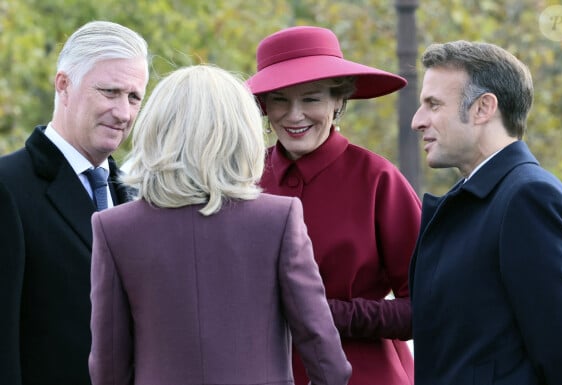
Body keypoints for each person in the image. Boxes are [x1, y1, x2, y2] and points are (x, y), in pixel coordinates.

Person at [88, 64, 351, 385]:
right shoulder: (278, 220)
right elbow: (328, 363)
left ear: (156, 130)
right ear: (241, 131)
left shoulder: (114, 229)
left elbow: (109, 368)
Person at [247, 26, 422, 385]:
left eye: (311, 99)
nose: (294, 115)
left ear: (339, 101)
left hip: (364, 374)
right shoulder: (242, 179)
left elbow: (426, 308)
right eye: (280, 99)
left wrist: (326, 313)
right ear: (264, 105)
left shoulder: (378, 179)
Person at [410, 40, 562, 384]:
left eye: (433, 104)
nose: (417, 121)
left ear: (483, 108)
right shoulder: (477, 197)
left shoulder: (527, 197)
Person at [0, 21, 149, 385]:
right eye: (110, 92)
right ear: (63, 85)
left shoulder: (136, 195)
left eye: (134, 97)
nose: (124, 113)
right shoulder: (7, 186)